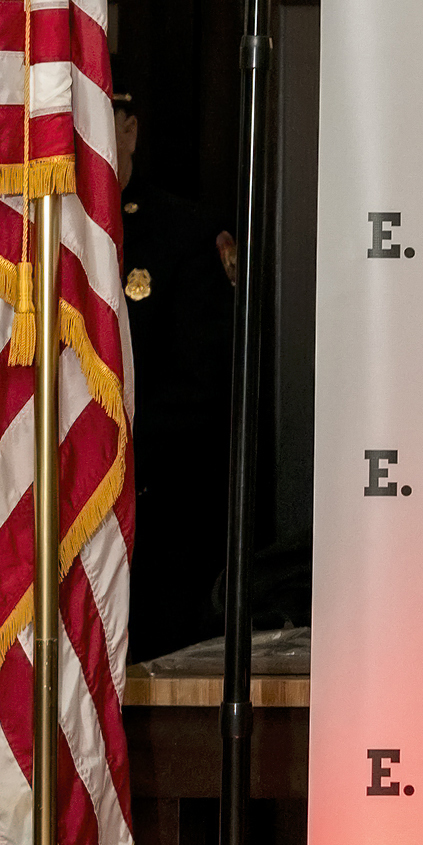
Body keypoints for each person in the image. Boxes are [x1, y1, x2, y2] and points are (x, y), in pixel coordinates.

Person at [114, 88, 237, 663]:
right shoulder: (28, 235)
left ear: (129, 131)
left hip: (155, 523)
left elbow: (199, 393)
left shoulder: (183, 235)